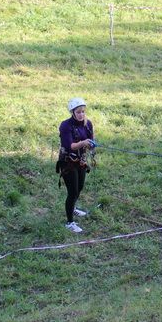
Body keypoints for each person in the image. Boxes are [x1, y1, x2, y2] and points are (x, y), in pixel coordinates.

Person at [58, 98, 95, 233]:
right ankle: (69, 222)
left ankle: (73, 208)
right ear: (72, 112)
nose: (81, 115)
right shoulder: (65, 126)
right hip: (68, 162)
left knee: (79, 188)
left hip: (81, 161)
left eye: (83, 112)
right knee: (72, 191)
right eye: (78, 112)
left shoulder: (88, 124)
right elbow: (70, 146)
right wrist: (84, 142)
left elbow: (91, 140)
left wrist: (91, 145)